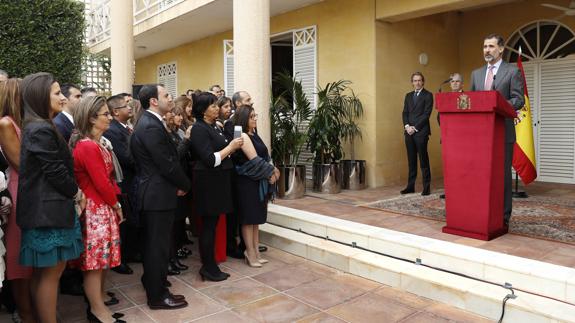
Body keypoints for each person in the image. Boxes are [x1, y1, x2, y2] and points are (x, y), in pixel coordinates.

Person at [17, 72, 83, 323]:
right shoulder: (39, 127)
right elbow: (55, 171)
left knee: (45, 273)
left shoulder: (40, 125)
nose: (63, 98)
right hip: (48, 211)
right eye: (57, 93)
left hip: (47, 209)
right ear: (39, 96)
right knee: (50, 274)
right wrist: (77, 193)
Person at [130, 84, 191, 310]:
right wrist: (186, 184)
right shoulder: (150, 126)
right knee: (157, 247)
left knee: (156, 245)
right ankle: (157, 296)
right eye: (166, 95)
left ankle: (154, 282)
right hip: (156, 194)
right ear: (154, 101)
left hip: (157, 192)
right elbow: (167, 164)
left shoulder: (151, 122)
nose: (170, 98)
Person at [70, 96, 125, 323]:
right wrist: (116, 205)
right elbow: (101, 182)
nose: (109, 117)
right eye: (105, 114)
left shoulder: (94, 144)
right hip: (95, 210)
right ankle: (97, 310)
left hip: (101, 208)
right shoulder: (87, 146)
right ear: (92, 118)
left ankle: (100, 301)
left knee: (102, 260)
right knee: (94, 263)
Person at [470, 33, 524, 226]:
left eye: (491, 46)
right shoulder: (476, 74)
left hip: (503, 133)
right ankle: (481, 211)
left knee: (501, 177)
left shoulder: (512, 71)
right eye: (485, 46)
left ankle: (503, 217)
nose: (487, 50)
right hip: (481, 135)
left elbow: (519, 100)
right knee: (481, 174)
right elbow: (471, 103)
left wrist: (497, 103)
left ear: (501, 49)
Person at [189, 92, 243, 281]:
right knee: (209, 227)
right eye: (212, 106)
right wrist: (231, 147)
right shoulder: (199, 129)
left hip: (218, 181)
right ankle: (208, 267)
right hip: (208, 183)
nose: (216, 108)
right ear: (203, 110)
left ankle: (211, 266)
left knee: (213, 225)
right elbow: (210, 159)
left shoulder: (213, 127)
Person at [0, 78, 34, 323]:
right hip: (19, 191)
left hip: (32, 190)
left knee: (31, 257)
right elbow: (21, 165)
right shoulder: (6, 124)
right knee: (19, 258)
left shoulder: (25, 122)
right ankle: (25, 313)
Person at [232, 106, 279, 267]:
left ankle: (256, 252)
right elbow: (255, 160)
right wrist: (272, 172)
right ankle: (249, 252)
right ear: (244, 118)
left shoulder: (254, 134)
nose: (254, 119)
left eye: (255, 115)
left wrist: (271, 169)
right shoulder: (243, 136)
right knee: (248, 218)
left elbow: (265, 156)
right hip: (247, 182)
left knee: (256, 219)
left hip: (258, 180)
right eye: (251, 116)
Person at [103, 95, 136, 275]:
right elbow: (126, 157)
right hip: (124, 182)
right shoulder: (112, 131)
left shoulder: (125, 128)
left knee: (130, 221)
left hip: (132, 181)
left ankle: (130, 253)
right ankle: (120, 260)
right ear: (115, 111)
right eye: (126, 106)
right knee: (123, 224)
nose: (129, 108)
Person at [401, 72, 433, 196]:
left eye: (419, 80)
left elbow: (426, 114)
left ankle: (426, 187)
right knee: (411, 160)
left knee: (423, 160)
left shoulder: (428, 95)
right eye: (415, 80)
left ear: (423, 82)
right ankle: (410, 186)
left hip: (421, 132)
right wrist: (407, 126)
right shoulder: (408, 96)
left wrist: (415, 127)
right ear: (412, 82)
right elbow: (405, 112)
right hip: (408, 132)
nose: (417, 83)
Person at [438, 73, 463, 200]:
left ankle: (461, 190)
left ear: (462, 84)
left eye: (457, 81)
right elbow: (439, 117)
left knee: (460, 166)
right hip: (447, 136)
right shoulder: (445, 97)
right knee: (449, 166)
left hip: (461, 139)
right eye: (452, 81)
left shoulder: (466, 97)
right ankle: (449, 190)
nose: (454, 83)